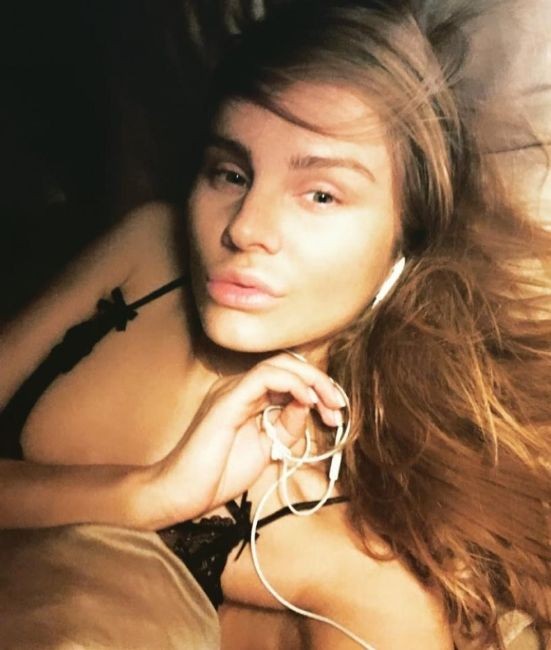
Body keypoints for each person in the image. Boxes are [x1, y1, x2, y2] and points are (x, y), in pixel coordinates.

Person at [0, 1, 549, 648]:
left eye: (321, 194)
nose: (244, 227)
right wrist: (148, 497)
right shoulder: (146, 248)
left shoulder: (359, 576)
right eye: (231, 174)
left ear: (405, 242)